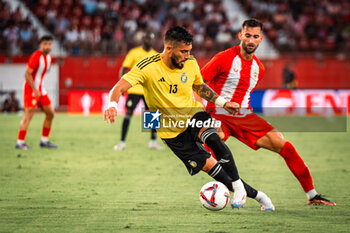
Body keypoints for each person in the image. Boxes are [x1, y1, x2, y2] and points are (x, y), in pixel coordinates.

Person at [104, 26, 275, 211]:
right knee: (216, 172)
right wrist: (112, 104)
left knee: (214, 139)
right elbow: (118, 87)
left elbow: (200, 87)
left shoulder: (190, 63)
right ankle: (260, 196)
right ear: (169, 49)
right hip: (170, 131)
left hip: (192, 114)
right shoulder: (147, 66)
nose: (187, 55)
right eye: (183, 51)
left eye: (189, 51)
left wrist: (223, 103)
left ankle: (238, 187)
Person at [201, 18, 335, 206]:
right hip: (217, 113)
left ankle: (312, 196)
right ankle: (238, 189)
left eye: (255, 37)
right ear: (240, 35)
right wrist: (207, 108)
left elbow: (244, 94)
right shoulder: (223, 58)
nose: (250, 40)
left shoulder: (259, 69)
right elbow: (198, 83)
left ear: (261, 39)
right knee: (211, 154)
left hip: (243, 116)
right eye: (247, 36)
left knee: (284, 145)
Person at [114, 31, 163, 151]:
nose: (148, 40)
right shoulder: (134, 53)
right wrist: (122, 86)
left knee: (152, 115)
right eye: (146, 38)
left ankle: (152, 141)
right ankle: (122, 142)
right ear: (143, 40)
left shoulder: (156, 55)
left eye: (150, 38)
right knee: (128, 113)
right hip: (134, 89)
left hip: (149, 90)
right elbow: (124, 68)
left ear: (153, 40)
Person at [15, 35, 57, 150]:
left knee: (51, 113)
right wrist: (34, 89)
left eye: (49, 44)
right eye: (45, 44)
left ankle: (44, 141)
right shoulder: (36, 56)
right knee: (29, 115)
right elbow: (27, 74)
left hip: (40, 89)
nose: (48, 46)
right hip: (31, 89)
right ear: (41, 45)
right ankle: (20, 142)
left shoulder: (49, 58)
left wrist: (38, 89)